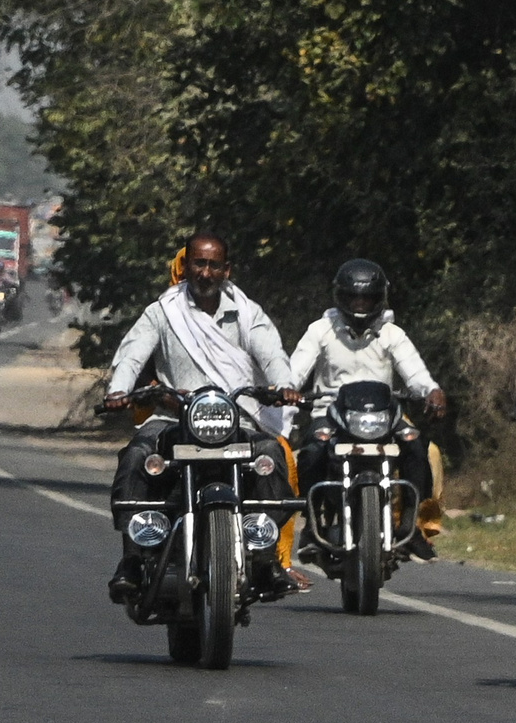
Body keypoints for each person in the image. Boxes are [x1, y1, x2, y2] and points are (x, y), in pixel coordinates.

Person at [97, 232, 301, 604]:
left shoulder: (247, 312)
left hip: (233, 419)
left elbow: (272, 355)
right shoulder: (163, 311)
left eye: (213, 265)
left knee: (271, 455)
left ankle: (266, 559)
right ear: (185, 266)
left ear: (227, 270)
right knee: (137, 456)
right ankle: (131, 558)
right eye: (198, 263)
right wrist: (118, 390)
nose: (205, 273)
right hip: (171, 418)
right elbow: (131, 356)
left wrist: (284, 385)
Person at [286, 259, 446, 562]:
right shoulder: (320, 330)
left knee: (417, 446)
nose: (360, 305)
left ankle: (410, 527)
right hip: (331, 412)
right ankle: (313, 524)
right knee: (312, 450)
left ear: (379, 299)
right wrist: (288, 388)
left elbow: (416, 374)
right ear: (340, 297)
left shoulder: (392, 333)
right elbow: (295, 370)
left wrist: (432, 391)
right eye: (353, 298)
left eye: (367, 299)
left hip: (384, 415)